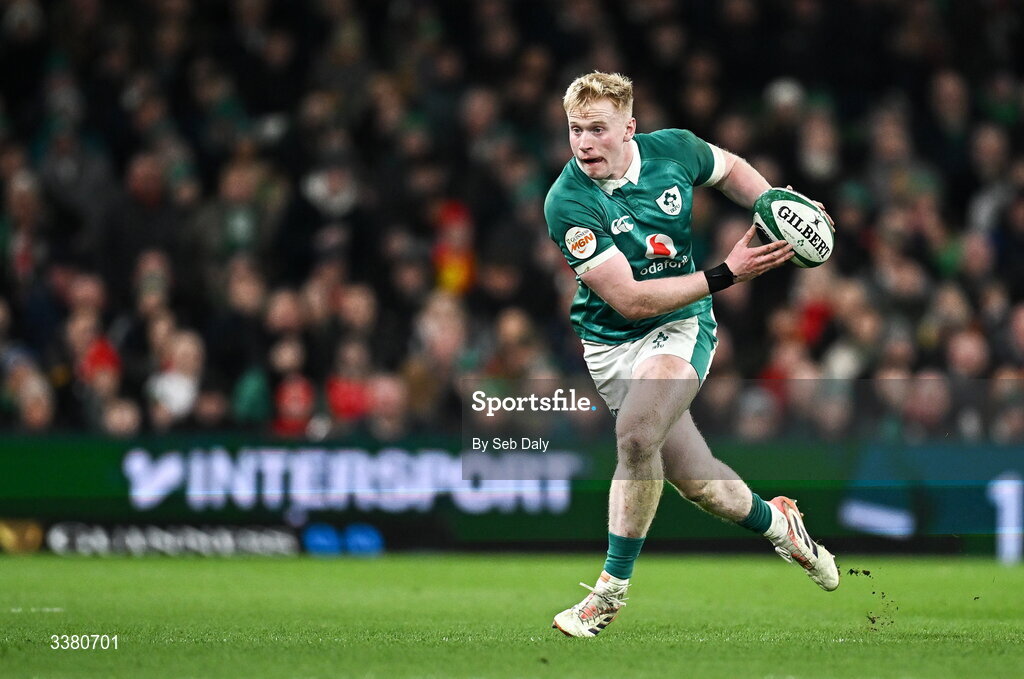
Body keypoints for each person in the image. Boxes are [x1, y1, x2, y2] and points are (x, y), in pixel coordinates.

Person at [544, 72, 840, 638]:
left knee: (635, 436)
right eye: (576, 129)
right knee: (700, 485)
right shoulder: (568, 202)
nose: (584, 143)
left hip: (680, 325)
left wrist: (779, 204)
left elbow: (728, 169)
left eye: (598, 130)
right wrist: (728, 273)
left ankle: (607, 595)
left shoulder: (673, 150)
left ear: (629, 128)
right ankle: (780, 524)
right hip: (611, 342)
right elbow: (628, 300)